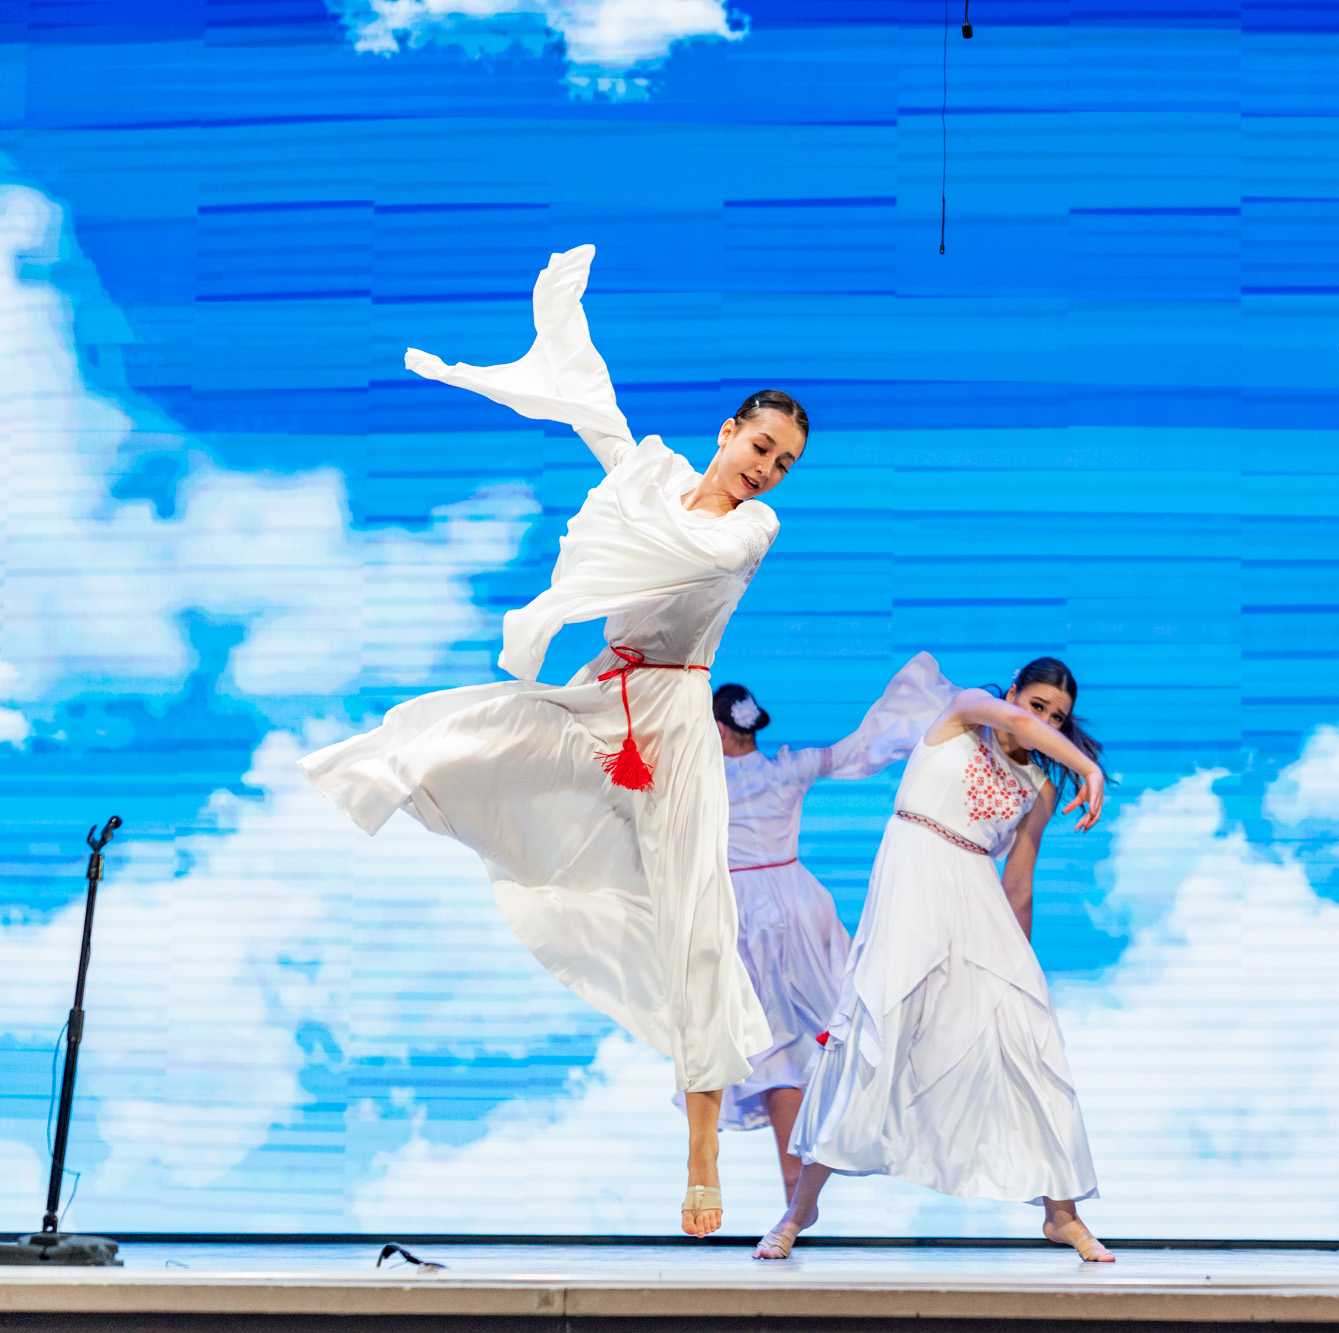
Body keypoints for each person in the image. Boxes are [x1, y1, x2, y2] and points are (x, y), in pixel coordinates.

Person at [300, 244, 806, 1239]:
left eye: (782, 462)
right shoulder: (655, 481)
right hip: (605, 697)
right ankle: (375, 772)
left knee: (697, 924)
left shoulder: (750, 529)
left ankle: (702, 1150)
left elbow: (683, 548)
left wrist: (630, 511)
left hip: (673, 722)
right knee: (473, 731)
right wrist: (563, 325)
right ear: (728, 431)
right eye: (760, 445)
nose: (766, 469)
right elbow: (597, 416)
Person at [753, 657, 1113, 1262]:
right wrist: (1089, 767)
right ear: (1014, 692)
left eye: (1058, 718)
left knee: (1026, 1038)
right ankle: (800, 1208)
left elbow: (1018, 883)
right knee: (877, 1029)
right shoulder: (966, 710)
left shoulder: (1039, 788)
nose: (1045, 721)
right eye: (1038, 705)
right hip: (914, 871)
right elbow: (1016, 725)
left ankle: (1061, 1214)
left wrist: (1020, 965)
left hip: (977, 896)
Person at [701, 656, 958, 1197]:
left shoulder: (702, 784)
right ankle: (898, 1111)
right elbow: (856, 750)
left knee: (773, 1047)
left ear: (719, 728)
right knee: (837, 1021)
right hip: (800, 902)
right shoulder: (787, 769)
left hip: (747, 915)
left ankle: (796, 1187)